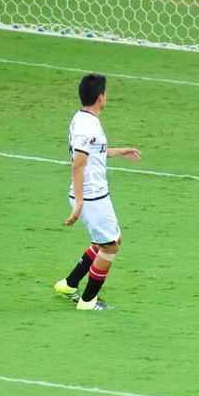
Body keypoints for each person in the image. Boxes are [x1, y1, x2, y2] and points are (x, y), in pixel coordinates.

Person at [54, 73, 142, 311]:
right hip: (91, 196)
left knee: (111, 240)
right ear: (101, 97)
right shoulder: (87, 126)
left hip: (94, 194)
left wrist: (120, 151)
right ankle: (88, 301)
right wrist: (80, 203)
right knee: (110, 246)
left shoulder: (83, 118)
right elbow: (79, 163)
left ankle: (69, 284)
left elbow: (94, 152)